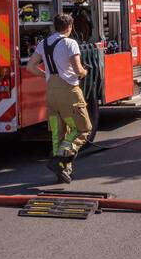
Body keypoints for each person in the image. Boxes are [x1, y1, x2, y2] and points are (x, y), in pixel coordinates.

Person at [25, 13, 91, 184]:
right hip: (69, 91)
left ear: (55, 26)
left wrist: (45, 75)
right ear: (69, 27)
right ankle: (59, 159)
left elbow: (30, 66)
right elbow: (77, 69)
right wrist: (85, 71)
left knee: (58, 133)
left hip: (51, 92)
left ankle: (62, 171)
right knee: (83, 129)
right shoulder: (70, 43)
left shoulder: (43, 44)